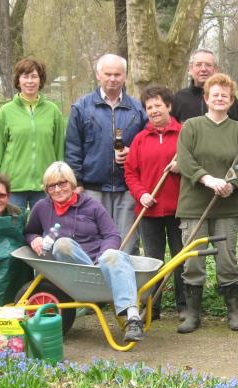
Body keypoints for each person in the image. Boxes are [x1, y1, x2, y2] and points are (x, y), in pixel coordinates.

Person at [24, 161, 145, 342]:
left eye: (62, 183)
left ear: (72, 183)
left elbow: (111, 234)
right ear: (46, 189)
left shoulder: (91, 205)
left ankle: (133, 317)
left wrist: (103, 256)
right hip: (73, 271)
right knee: (62, 243)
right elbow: (29, 231)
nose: (58, 189)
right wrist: (34, 238)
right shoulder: (42, 207)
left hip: (99, 264)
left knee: (114, 255)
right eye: (52, 186)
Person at [175, 73, 238, 333]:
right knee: (193, 260)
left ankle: (233, 311)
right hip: (195, 205)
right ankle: (192, 313)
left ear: (231, 101)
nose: (220, 99)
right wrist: (208, 180)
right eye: (215, 95)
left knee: (227, 259)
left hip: (227, 206)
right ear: (206, 99)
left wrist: (232, 185)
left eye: (225, 95)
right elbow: (185, 161)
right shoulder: (192, 127)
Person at [65, 54, 148, 255]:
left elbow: (147, 145)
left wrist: (132, 153)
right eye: (108, 74)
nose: (113, 79)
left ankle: (127, 285)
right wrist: (77, 183)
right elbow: (73, 148)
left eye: (117, 74)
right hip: (92, 189)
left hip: (127, 188)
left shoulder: (138, 108)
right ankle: (95, 286)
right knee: (93, 242)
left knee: (126, 244)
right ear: (98, 75)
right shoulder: (81, 107)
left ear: (125, 76)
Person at [124, 85, 184, 320]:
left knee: (180, 259)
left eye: (158, 105)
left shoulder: (184, 135)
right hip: (149, 210)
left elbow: (196, 165)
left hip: (179, 209)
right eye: (149, 107)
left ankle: (183, 307)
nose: (154, 110)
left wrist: (182, 167)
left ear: (168, 106)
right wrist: (141, 194)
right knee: (152, 261)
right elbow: (130, 172)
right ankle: (152, 307)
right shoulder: (140, 139)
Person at [0, 58, 65, 212]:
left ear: (40, 80)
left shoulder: (53, 111)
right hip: (13, 185)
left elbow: (59, 150)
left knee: (45, 232)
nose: (30, 81)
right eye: (25, 76)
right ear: (18, 80)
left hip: (45, 185)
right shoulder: (6, 111)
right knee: (13, 230)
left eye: (34, 76)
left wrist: (60, 180)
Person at [171, 49, 238, 124]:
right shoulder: (179, 99)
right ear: (191, 69)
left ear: (215, 69)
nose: (203, 69)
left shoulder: (226, 98)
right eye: (198, 65)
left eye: (208, 65)